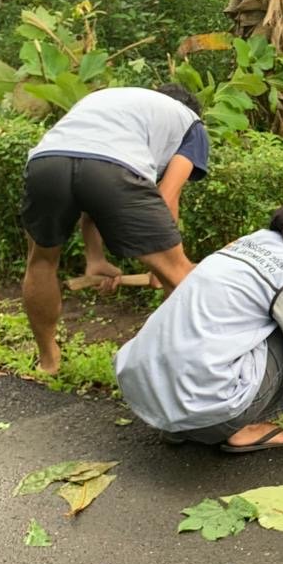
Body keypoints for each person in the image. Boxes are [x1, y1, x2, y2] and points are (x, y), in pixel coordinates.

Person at [115, 193, 283, 452]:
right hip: (206, 407)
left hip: (145, 390)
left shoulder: (243, 244)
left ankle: (181, 427)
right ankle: (238, 429)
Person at [21, 84, 210, 374]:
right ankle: (180, 374)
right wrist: (162, 269)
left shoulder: (110, 100)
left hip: (47, 161)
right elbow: (167, 195)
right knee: (179, 276)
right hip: (113, 168)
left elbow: (88, 175)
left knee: (42, 262)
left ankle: (48, 362)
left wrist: (95, 258)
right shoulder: (191, 124)